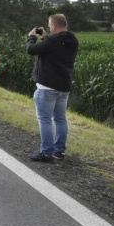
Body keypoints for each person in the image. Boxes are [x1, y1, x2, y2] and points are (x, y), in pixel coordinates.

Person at [26, 14, 79, 162]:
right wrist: (45, 37)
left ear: (54, 25)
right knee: (61, 119)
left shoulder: (53, 42)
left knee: (45, 119)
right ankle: (59, 151)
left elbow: (31, 50)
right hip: (64, 86)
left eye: (50, 25)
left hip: (47, 87)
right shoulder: (72, 40)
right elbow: (54, 48)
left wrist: (32, 37)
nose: (49, 27)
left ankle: (46, 152)